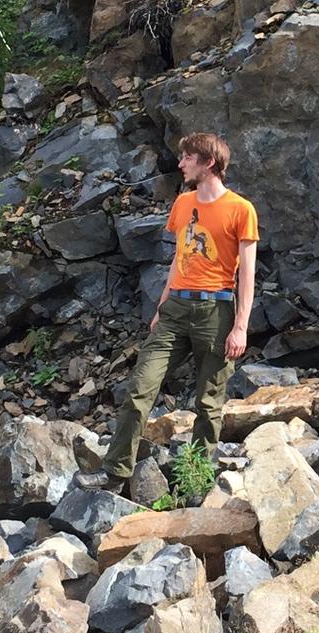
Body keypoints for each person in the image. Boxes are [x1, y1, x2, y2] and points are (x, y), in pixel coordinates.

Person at [99, 131, 258, 492]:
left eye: (188, 157)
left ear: (209, 163)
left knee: (209, 402)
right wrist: (162, 304)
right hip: (175, 309)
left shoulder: (240, 209)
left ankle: (196, 481)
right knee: (140, 387)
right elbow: (179, 255)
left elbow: (247, 273)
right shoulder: (183, 203)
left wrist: (241, 326)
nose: (181, 163)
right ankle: (115, 474)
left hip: (216, 312)